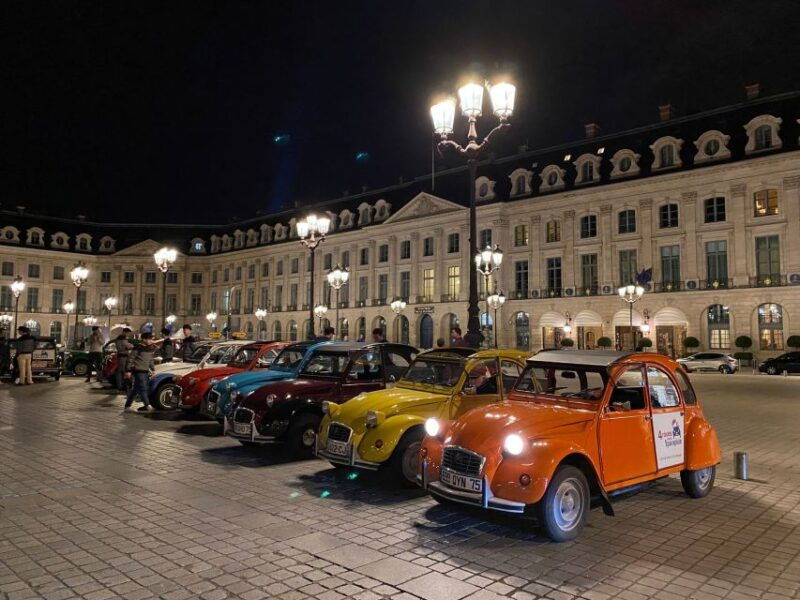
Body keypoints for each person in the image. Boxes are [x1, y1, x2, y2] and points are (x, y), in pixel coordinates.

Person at [124, 331, 156, 413]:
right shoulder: (137, 348)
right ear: (144, 339)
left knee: (135, 390)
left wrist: (153, 369)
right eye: (149, 339)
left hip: (145, 371)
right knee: (143, 388)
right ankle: (147, 405)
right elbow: (130, 359)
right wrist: (128, 370)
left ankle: (127, 406)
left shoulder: (151, 348)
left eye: (151, 339)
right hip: (138, 371)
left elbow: (150, 360)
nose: (151, 341)